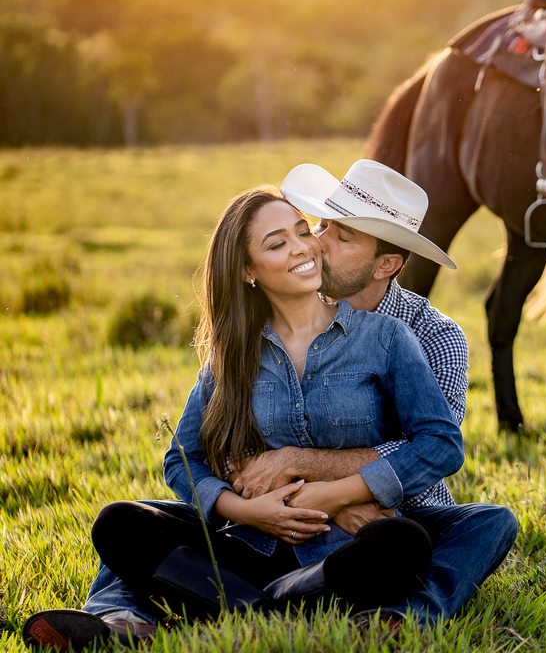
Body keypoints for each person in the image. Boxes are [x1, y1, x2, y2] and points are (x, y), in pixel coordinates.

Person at [23, 162, 518, 651]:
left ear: (386, 263)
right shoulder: (249, 338)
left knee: (481, 525)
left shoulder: (422, 336)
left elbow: (428, 451)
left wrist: (306, 477)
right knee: (129, 520)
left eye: (342, 237)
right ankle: (126, 620)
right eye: (319, 225)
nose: (317, 243)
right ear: (250, 271)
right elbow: (191, 455)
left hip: (390, 516)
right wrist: (251, 503)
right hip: (269, 522)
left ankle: (397, 619)